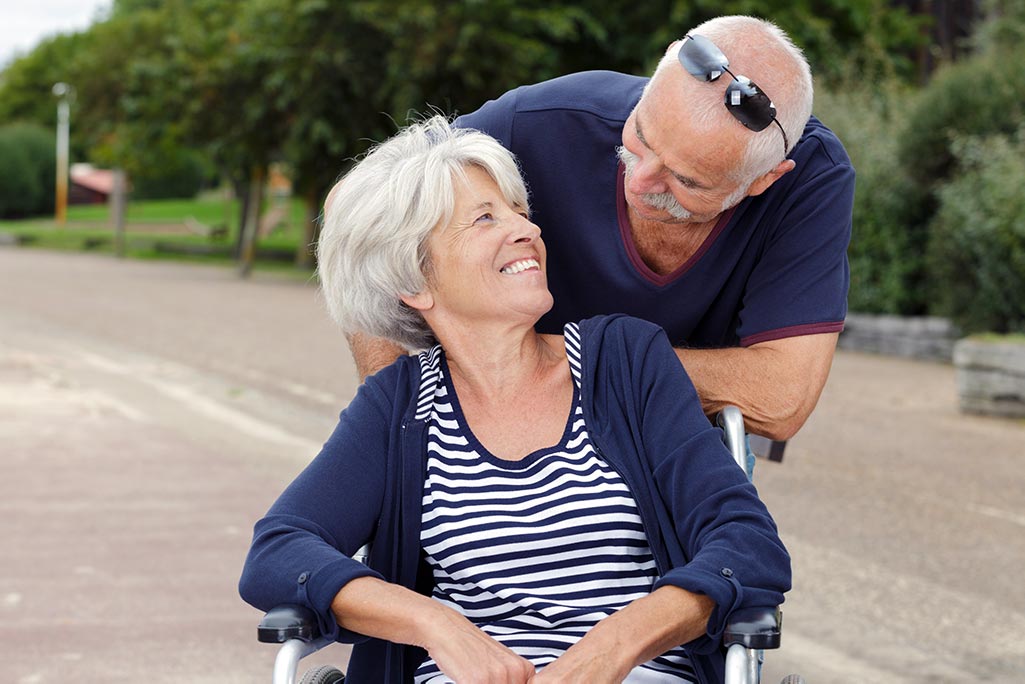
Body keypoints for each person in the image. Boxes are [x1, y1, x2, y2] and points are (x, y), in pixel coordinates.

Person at [239, 117, 790, 683]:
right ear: (415, 281)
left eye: (519, 211)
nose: (526, 229)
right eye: (485, 218)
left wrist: (612, 648)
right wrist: (437, 626)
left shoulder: (624, 362)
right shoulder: (400, 408)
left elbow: (745, 543)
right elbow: (279, 552)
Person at [347, 15, 854, 442]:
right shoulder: (543, 121)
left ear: (763, 180)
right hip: (494, 424)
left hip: (663, 446)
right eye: (641, 136)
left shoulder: (811, 178)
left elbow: (781, 398)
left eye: (686, 180)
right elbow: (358, 209)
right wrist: (394, 411)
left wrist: (561, 361)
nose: (642, 181)